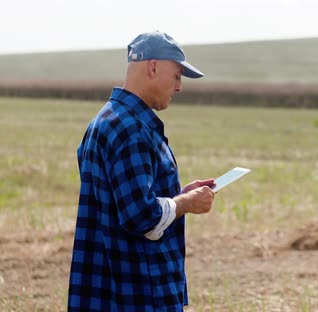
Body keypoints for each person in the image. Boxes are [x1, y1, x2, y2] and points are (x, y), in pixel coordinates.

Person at [68, 31, 216, 311]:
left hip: (106, 288)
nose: (179, 87)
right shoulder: (132, 130)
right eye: (176, 75)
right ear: (153, 67)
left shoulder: (105, 119)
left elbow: (121, 202)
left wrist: (177, 196)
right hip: (139, 291)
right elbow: (142, 217)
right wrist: (186, 203)